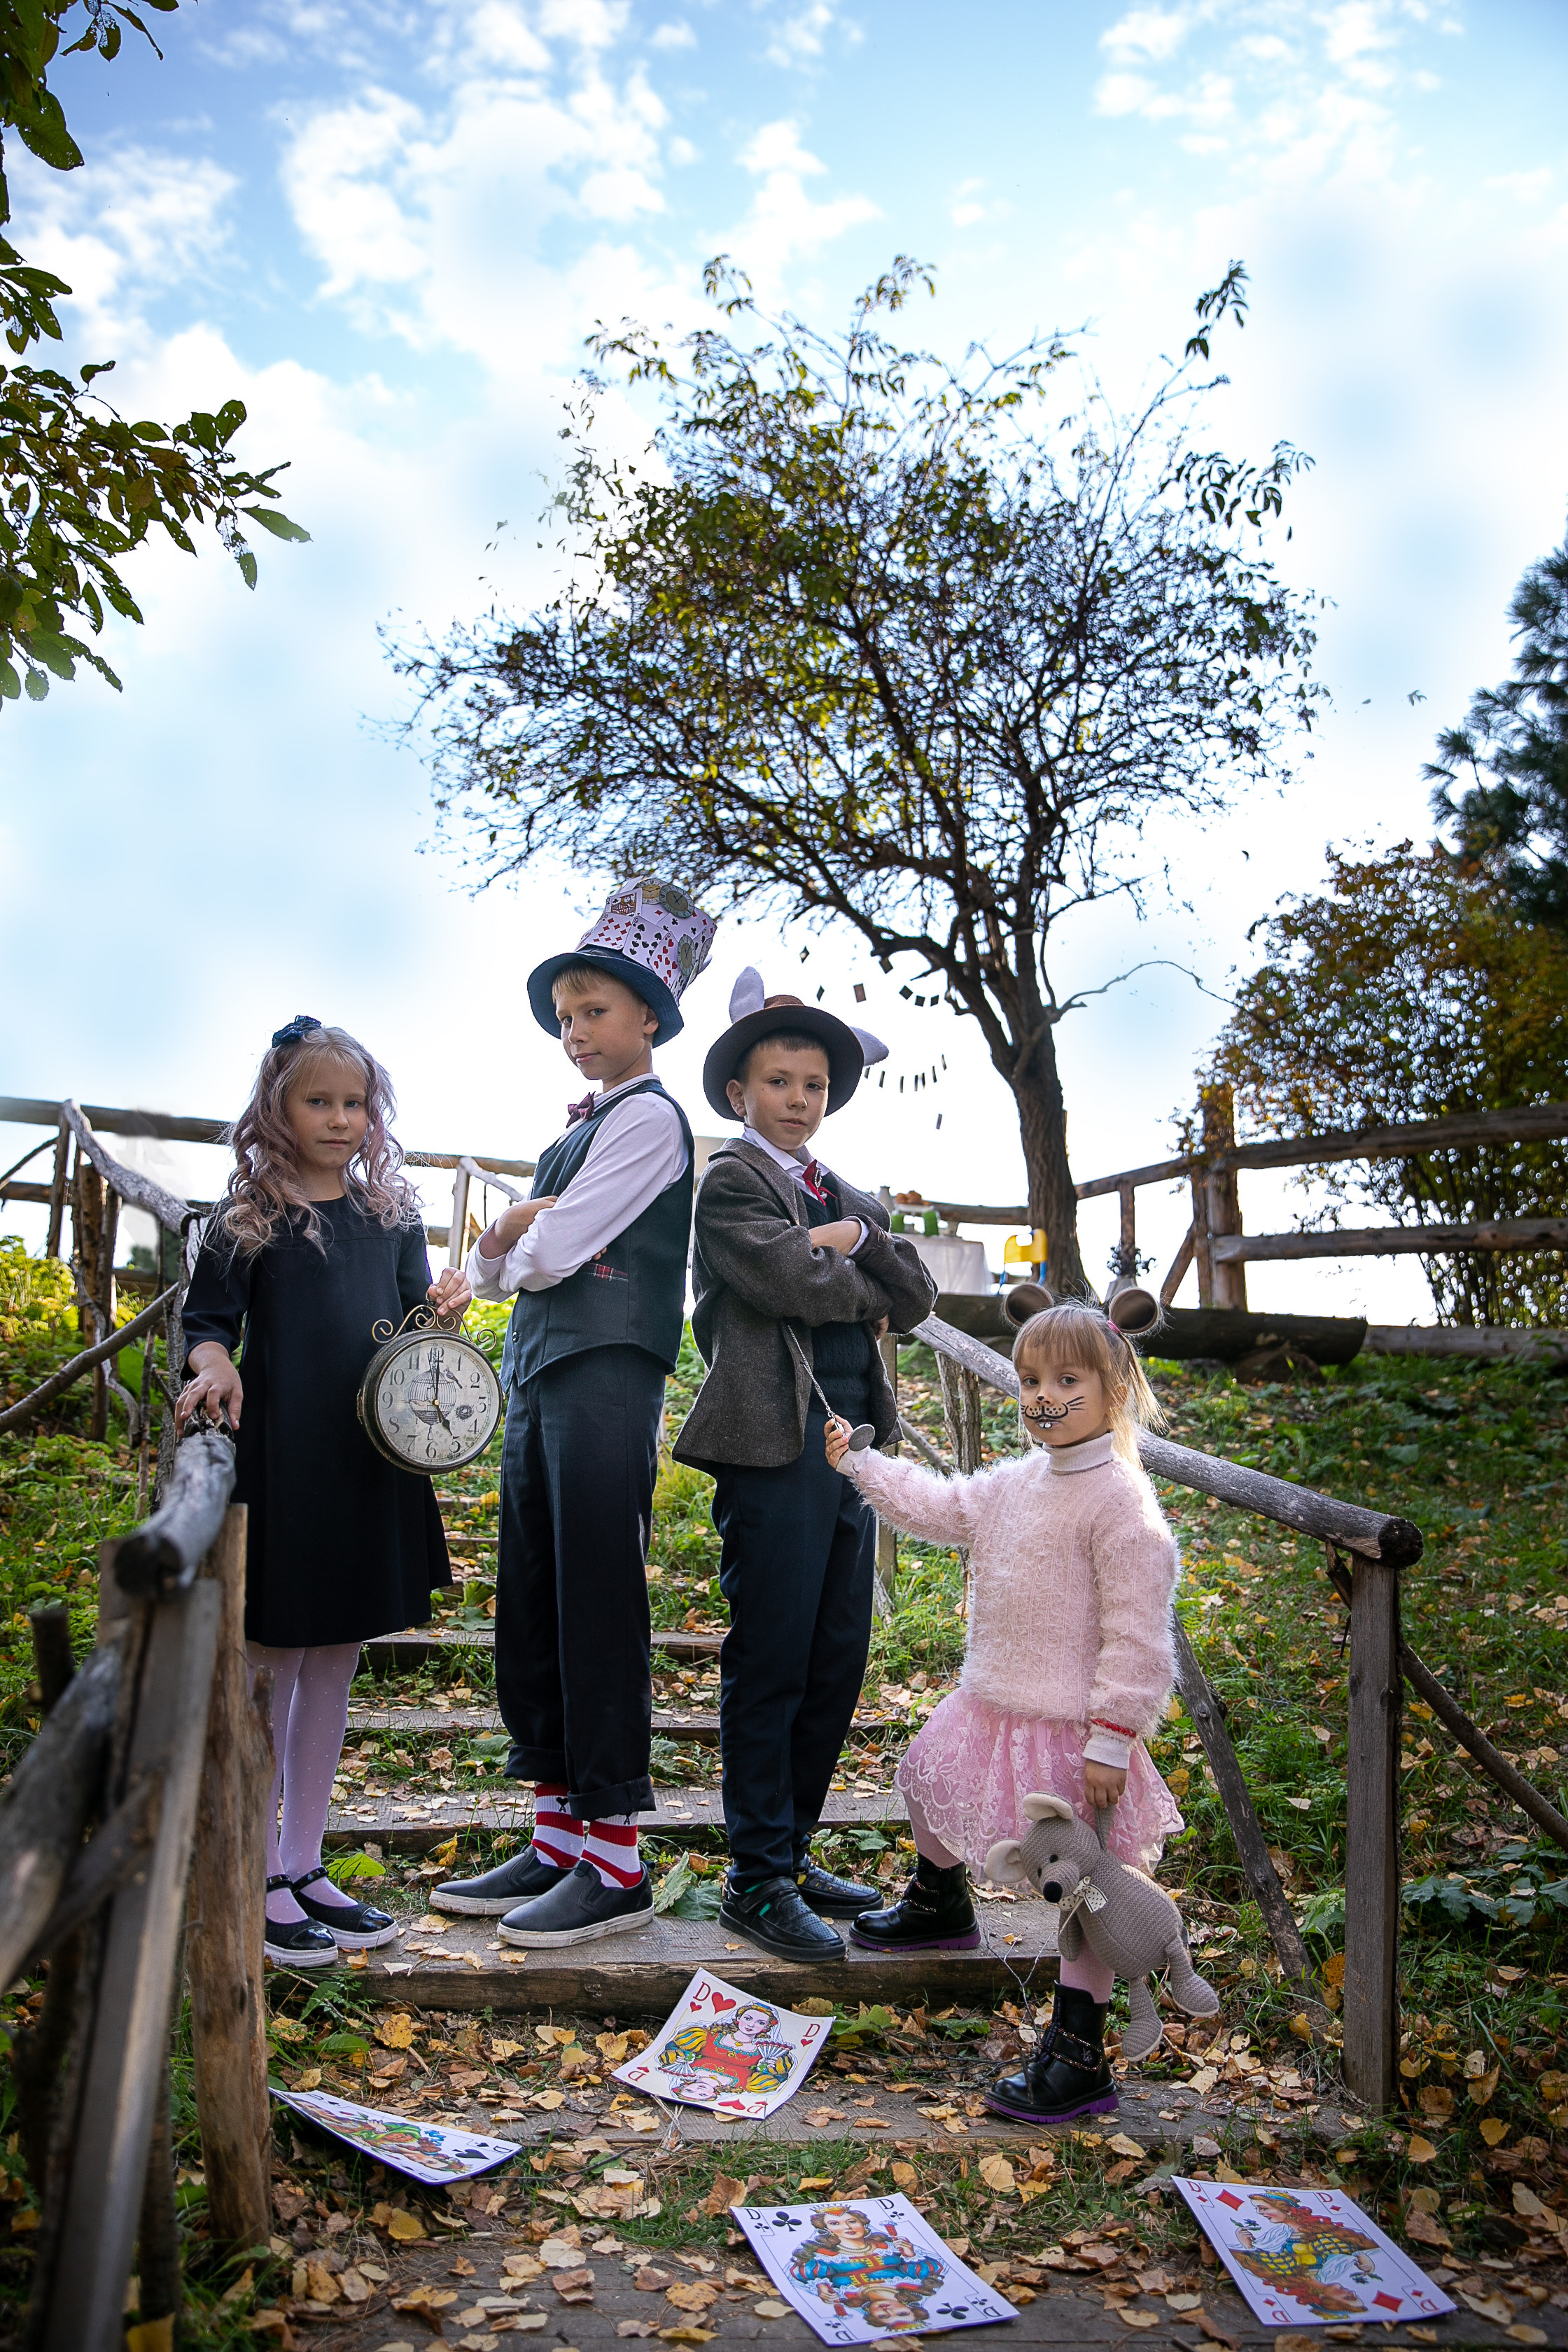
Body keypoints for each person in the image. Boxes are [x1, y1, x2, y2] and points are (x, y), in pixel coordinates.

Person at [431, 877, 716, 1947]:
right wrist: (520, 1236)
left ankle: (618, 1861)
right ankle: (556, 1837)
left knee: (596, 1597)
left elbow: (544, 1253)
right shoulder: (578, 1131)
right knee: (536, 1597)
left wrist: (516, 1229)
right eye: (565, 1018)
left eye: (594, 1011)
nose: (576, 1032)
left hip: (606, 1374)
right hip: (544, 1371)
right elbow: (511, 1278)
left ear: (650, 1015)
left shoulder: (650, 1123)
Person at [826, 1295, 1182, 2122]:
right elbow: (938, 1507)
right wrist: (859, 1464)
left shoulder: (1120, 1506)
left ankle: (1077, 2051)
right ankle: (936, 1904)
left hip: (1072, 1731)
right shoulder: (1018, 1483)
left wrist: (1113, 1739)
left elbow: (1137, 1640)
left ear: (1112, 1392)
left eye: (1066, 1381)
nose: (1042, 1397)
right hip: (988, 1703)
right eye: (1028, 1381)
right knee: (921, 1775)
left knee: (1085, 1898)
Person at [178, 1016, 470, 1968]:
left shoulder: (390, 1215)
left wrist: (442, 1312)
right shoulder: (245, 1220)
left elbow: (408, 1328)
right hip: (284, 1460)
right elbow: (208, 1324)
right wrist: (215, 1367)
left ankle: (304, 1861)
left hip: (364, 1457)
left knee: (335, 1659)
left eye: (354, 1103)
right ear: (278, 1108)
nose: (340, 1119)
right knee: (271, 1664)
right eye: (319, 1101)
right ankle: (255, 1868)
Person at [673, 969, 937, 1961]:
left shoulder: (844, 1194)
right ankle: (755, 1874)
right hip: (773, 1447)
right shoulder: (732, 1182)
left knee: (836, 1656)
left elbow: (909, 1293)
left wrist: (857, 1238)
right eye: (779, 1081)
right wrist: (839, 1269)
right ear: (741, 1093)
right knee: (773, 1655)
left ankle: (795, 1844)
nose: (797, 1099)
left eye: (814, 1084)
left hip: (851, 1454)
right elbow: (784, 1277)